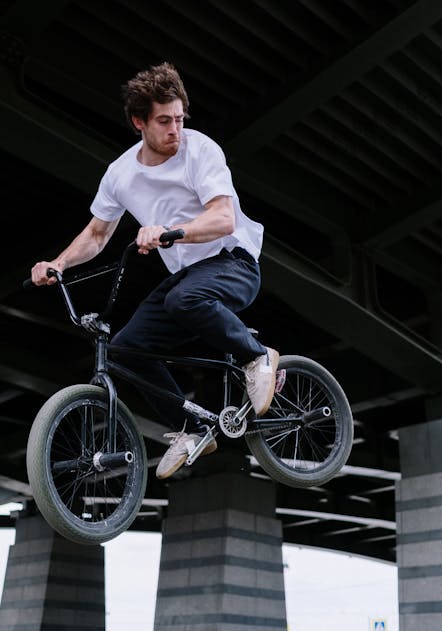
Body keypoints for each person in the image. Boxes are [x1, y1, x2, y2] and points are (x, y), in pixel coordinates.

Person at [31, 62, 279, 480]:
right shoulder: (120, 175)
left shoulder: (200, 150)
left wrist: (170, 232)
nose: (175, 131)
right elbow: (96, 234)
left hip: (232, 262)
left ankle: (258, 359)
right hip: (188, 276)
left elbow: (223, 219)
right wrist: (58, 263)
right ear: (138, 122)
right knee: (127, 349)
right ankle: (191, 427)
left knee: (186, 298)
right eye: (164, 121)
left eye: (180, 119)